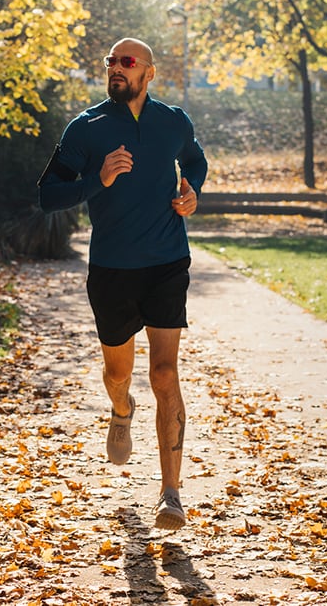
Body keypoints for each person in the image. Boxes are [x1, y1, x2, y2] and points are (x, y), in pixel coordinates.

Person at [37, 38, 207, 530]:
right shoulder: (86, 128)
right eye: (110, 61)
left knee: (164, 373)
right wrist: (99, 179)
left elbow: (193, 161)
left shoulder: (173, 121)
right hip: (111, 268)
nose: (115, 68)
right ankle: (120, 407)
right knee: (118, 374)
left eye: (125, 62)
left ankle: (170, 494)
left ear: (148, 73)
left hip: (167, 262)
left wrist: (191, 191)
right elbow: (48, 195)